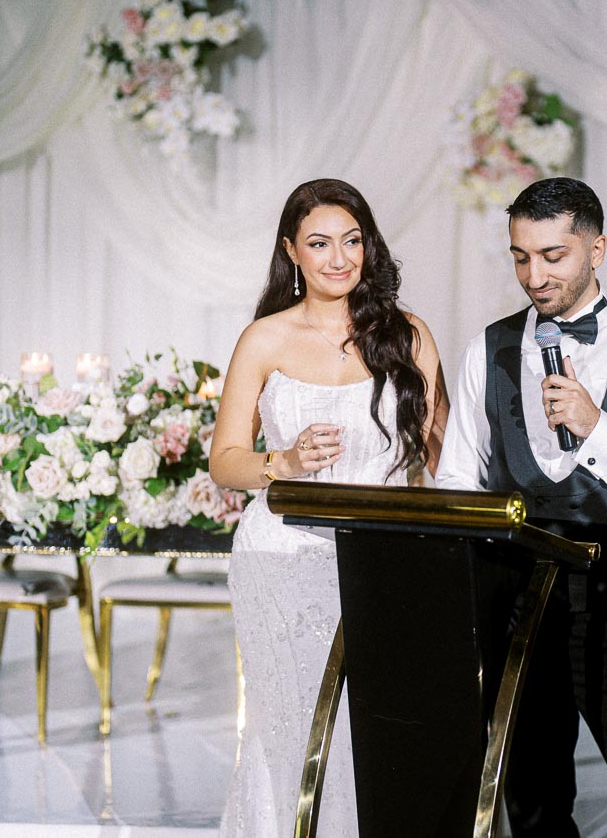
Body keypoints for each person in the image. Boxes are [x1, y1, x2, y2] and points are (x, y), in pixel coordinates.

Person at [435, 177, 607, 837]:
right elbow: (458, 486)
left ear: (597, 249)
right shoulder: (489, 349)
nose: (534, 275)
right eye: (520, 256)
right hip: (518, 619)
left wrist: (600, 430)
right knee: (535, 816)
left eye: (553, 255)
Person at [209, 178, 448, 837]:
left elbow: (448, 456)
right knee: (298, 725)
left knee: (378, 729)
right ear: (292, 251)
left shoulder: (408, 334)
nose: (339, 258)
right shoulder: (263, 339)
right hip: (281, 556)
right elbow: (225, 458)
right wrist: (280, 464)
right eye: (320, 243)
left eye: (352, 240)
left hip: (386, 557)